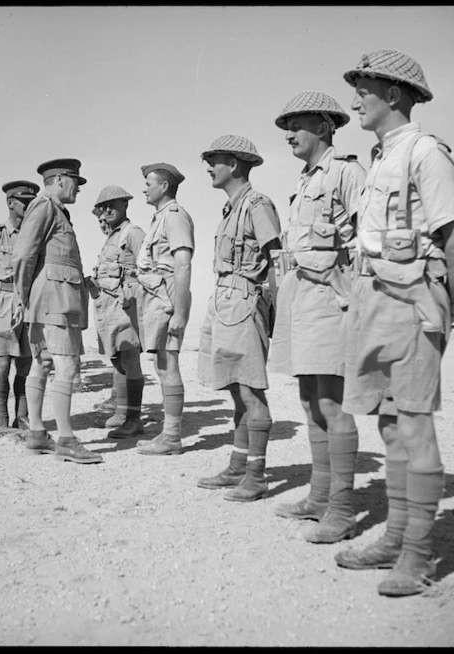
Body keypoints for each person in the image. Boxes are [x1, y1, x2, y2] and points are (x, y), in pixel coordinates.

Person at [334, 50, 454, 596]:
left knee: (413, 426)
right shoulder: (380, 157)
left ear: (392, 95)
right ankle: (395, 538)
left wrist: (446, 308)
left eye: (363, 92)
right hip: (375, 299)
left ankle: (418, 558)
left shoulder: (425, 153)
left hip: (413, 302)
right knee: (390, 425)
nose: (354, 102)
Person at [270, 91, 366, 542]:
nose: (289, 134)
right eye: (286, 127)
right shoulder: (305, 182)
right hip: (302, 297)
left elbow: (367, 240)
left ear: (325, 127)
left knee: (333, 403)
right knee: (310, 402)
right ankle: (319, 496)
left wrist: (358, 298)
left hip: (332, 297)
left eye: (297, 125)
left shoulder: (347, 173)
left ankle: (343, 510)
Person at [196, 135, 281, 502]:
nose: (209, 167)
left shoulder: (257, 204)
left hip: (246, 302)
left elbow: (277, 261)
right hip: (225, 300)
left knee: (250, 389)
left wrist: (275, 316)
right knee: (235, 387)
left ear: (234, 164)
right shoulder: (232, 207)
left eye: (215, 160)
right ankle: (238, 465)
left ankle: (256, 475)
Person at [11, 158, 102, 463]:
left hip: (48, 299)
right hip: (54, 300)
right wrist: (20, 296)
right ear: (61, 179)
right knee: (66, 367)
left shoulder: (56, 211)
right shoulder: (45, 206)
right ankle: (65, 439)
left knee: (42, 363)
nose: (78, 187)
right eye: (76, 181)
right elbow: (23, 254)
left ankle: (37, 434)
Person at [134, 163, 194, 456]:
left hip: (168, 295)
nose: (145, 188)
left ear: (165, 187)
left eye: (149, 183)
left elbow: (183, 264)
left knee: (168, 363)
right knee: (161, 363)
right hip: (157, 295)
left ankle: (172, 438)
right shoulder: (159, 218)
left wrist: (180, 314)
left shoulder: (174, 217)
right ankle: (169, 435)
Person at [0, 180, 39, 434]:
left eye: (31, 202)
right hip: (1, 302)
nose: (28, 206)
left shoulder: (35, 234)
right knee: (2, 366)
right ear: (10, 203)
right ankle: (1, 418)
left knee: (25, 365)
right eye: (24, 202)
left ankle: (21, 417)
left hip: (28, 303)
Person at [90, 185, 147, 439]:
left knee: (130, 360)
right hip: (107, 306)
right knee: (117, 360)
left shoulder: (132, 233)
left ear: (125, 205)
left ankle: (134, 418)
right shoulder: (111, 237)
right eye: (103, 207)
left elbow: (148, 266)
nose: (107, 211)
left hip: (125, 305)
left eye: (113, 205)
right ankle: (123, 412)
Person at [89, 205, 118, 414]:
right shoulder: (107, 243)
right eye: (99, 222)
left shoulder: (124, 237)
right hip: (104, 305)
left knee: (122, 356)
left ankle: (121, 402)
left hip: (118, 306)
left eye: (104, 220)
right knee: (114, 356)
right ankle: (117, 397)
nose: (103, 225)